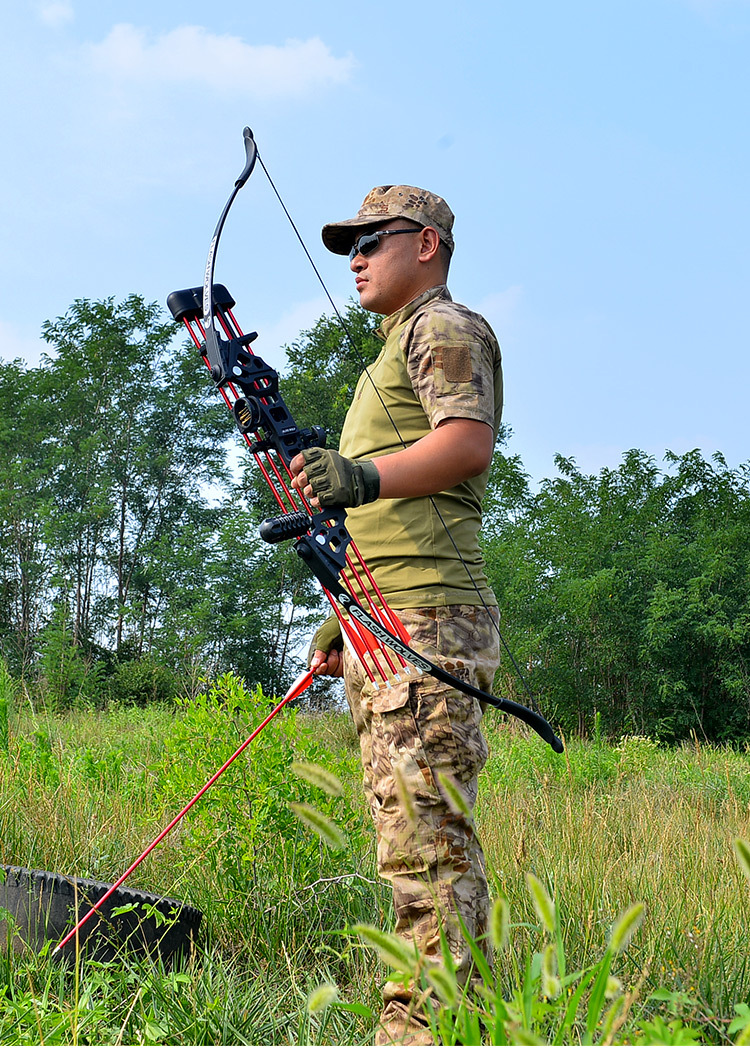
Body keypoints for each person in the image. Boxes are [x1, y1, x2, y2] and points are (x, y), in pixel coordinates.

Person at [289, 185, 503, 1046]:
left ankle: (424, 1033)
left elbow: (466, 442)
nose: (355, 256)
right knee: (407, 840)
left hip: (430, 621)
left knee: (427, 849)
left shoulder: (441, 328)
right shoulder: (391, 354)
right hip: (392, 623)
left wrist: (361, 476)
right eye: (348, 242)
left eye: (372, 239)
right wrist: (350, 616)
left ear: (426, 244)